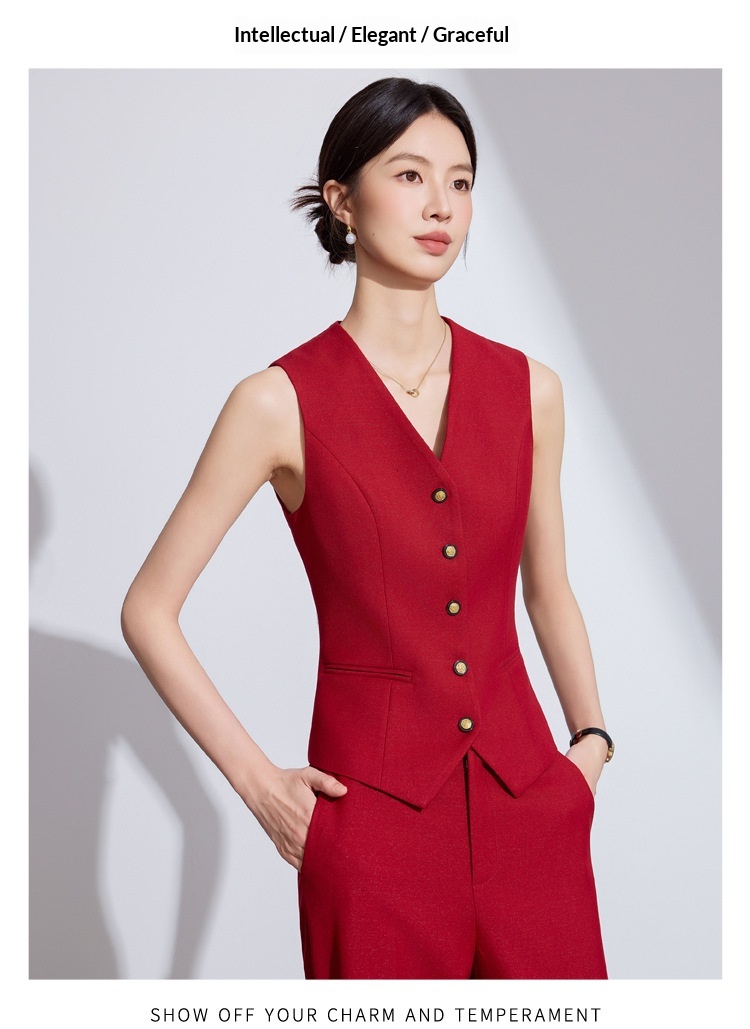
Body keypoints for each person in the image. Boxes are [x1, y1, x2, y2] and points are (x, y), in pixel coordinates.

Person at [121, 76, 613, 980]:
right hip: (375, 835)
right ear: (342, 200)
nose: (441, 206)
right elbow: (149, 609)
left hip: (532, 820)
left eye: (461, 182)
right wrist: (263, 789)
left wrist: (590, 747)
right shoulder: (277, 402)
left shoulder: (530, 390)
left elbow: (549, 589)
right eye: (411, 175)